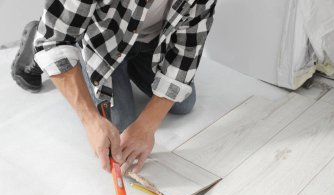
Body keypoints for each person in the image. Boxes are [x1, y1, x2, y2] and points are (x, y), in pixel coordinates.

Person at [11, 0, 216, 174]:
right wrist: (91, 121)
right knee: (122, 123)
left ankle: (131, 64)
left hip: (150, 41)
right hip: (101, 40)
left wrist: (146, 126)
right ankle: (37, 35)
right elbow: (53, 41)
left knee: (184, 104)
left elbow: (187, 51)